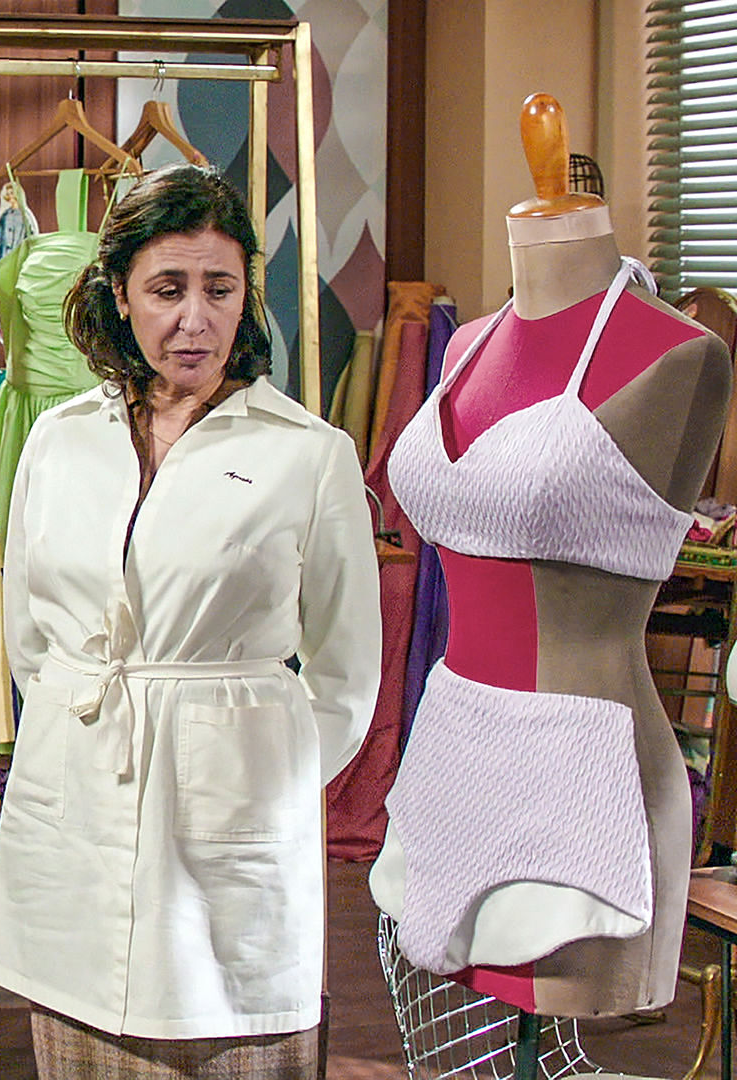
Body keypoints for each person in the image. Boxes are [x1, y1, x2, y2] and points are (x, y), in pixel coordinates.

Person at [0, 164, 381, 1078]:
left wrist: (263, 777)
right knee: (80, 1036)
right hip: (78, 788)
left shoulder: (308, 455)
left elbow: (346, 672)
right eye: (167, 289)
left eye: (219, 289)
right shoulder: (59, 440)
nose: (194, 319)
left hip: (233, 806)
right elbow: (31, 635)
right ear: (120, 294)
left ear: (247, 298)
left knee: (229, 1036)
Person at [372, 161, 729, 1014]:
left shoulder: (682, 354)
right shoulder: (466, 346)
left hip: (586, 778)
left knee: (554, 1037)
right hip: (453, 752)